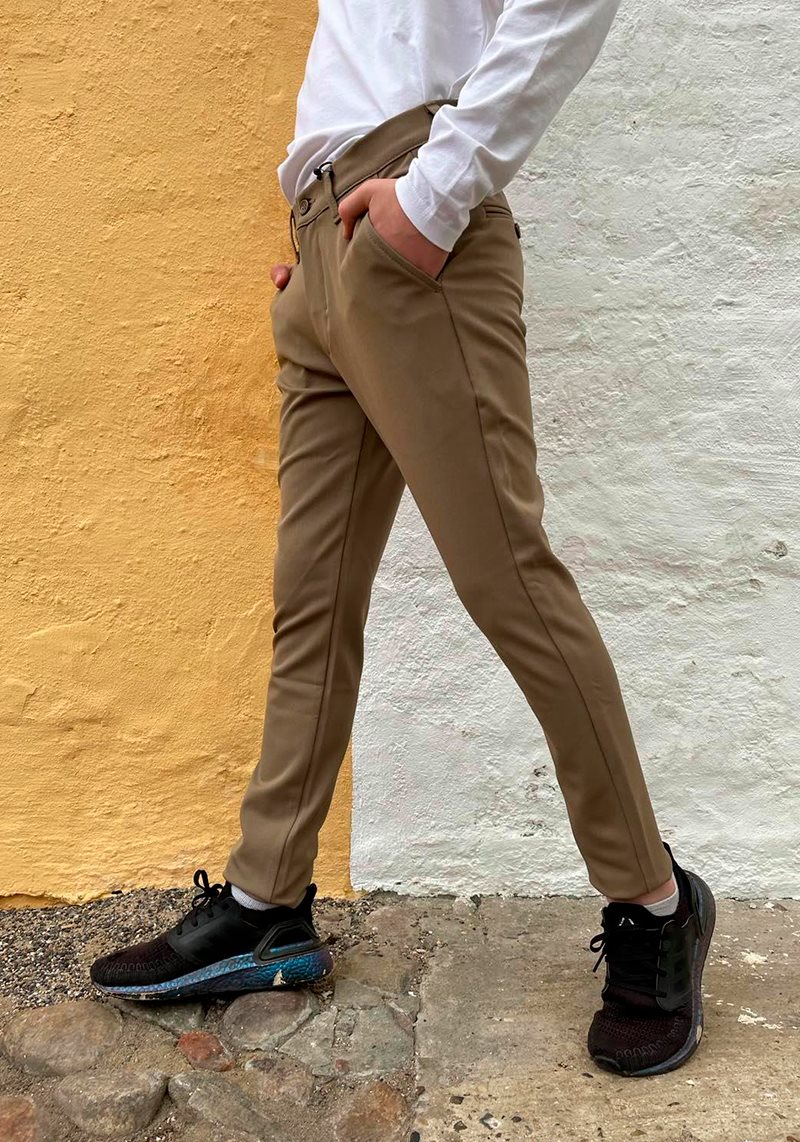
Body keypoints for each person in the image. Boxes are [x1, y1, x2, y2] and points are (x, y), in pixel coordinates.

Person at [91, 0, 716, 1077]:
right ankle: (266, 904)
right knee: (311, 598)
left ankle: (655, 903)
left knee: (507, 581)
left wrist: (433, 196)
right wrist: (315, 242)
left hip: (414, 225)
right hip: (322, 244)